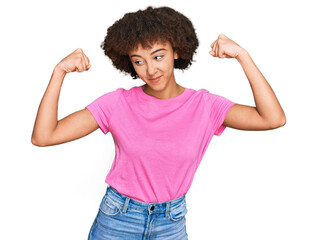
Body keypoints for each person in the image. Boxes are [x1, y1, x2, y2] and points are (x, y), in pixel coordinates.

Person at [31, 6, 286, 240]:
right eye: (138, 61)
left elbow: (273, 118)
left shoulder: (205, 106)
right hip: (117, 220)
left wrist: (243, 55)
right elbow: (44, 136)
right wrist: (59, 72)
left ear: (176, 51)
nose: (150, 70)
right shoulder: (117, 103)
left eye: (158, 56)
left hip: (171, 223)